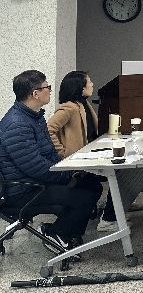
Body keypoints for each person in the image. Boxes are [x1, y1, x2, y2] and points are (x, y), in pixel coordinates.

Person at [0, 70, 101, 255]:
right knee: (83, 197)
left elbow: (49, 153)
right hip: (24, 190)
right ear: (35, 94)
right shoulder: (17, 124)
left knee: (92, 185)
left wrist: (68, 171)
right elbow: (35, 167)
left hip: (37, 181)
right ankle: (55, 233)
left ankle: (69, 232)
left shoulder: (34, 117)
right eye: (47, 87)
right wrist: (65, 176)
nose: (50, 90)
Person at [47, 71, 118, 232]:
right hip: (78, 162)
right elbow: (49, 129)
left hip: (89, 156)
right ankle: (109, 218)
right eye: (89, 82)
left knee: (119, 171)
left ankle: (112, 215)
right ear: (80, 87)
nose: (92, 84)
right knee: (119, 174)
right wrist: (62, 152)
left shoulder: (84, 105)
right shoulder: (69, 108)